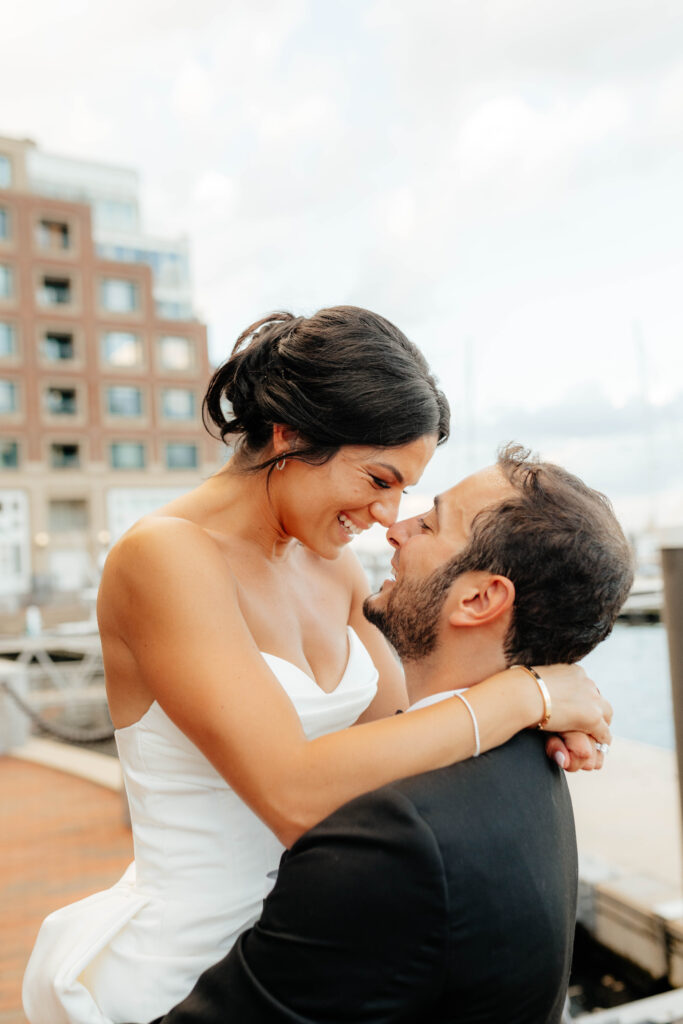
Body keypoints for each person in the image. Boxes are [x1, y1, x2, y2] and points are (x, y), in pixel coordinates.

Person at [23, 310, 610, 1024]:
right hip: (192, 967)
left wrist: (547, 717)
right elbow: (292, 792)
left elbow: (400, 740)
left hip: (324, 938)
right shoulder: (166, 557)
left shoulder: (331, 568)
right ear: (290, 434)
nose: (388, 513)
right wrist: (521, 696)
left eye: (405, 489)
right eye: (378, 477)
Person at [146, 447, 634, 1024]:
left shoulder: (391, 840)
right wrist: (530, 693)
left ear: (479, 598)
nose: (393, 525)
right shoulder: (532, 756)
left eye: (427, 522)